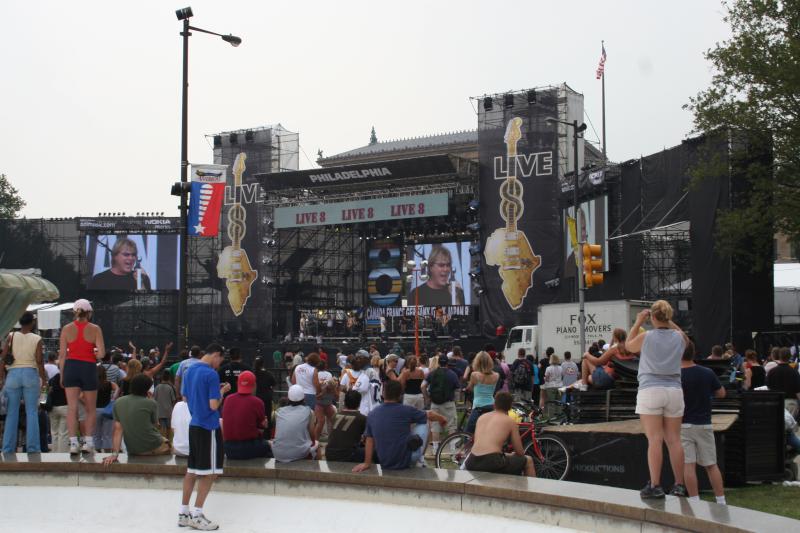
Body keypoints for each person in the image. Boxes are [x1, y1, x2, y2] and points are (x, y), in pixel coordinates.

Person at [626, 300, 689, 499]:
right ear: (669, 317)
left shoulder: (646, 336)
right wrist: (668, 322)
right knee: (674, 439)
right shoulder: (679, 337)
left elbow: (628, 345)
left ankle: (655, 485)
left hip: (650, 389)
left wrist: (637, 322)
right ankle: (679, 485)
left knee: (655, 440)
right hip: (674, 390)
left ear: (652, 317)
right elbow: (686, 340)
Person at [177, 343, 230, 530]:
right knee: (210, 473)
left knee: (192, 470)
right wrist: (222, 392)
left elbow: (185, 397)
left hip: (195, 424)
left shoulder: (188, 370)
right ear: (216, 355)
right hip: (209, 426)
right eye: (220, 360)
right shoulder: (211, 374)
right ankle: (198, 514)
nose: (218, 365)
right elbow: (214, 405)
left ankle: (184, 512)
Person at [352, 380, 447, 472]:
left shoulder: (372, 414)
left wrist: (367, 463)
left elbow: (369, 439)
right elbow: (430, 415)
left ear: (383, 394)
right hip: (405, 459)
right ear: (399, 395)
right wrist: (442, 419)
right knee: (424, 421)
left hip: (384, 460)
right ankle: (420, 459)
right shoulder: (406, 410)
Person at [679, 341, 727, 504]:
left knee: (688, 465)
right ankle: (721, 501)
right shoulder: (707, 372)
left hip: (683, 425)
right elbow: (721, 393)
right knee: (711, 465)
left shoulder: (675, 376)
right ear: (694, 353)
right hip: (704, 423)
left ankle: (694, 501)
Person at [58, 299, 105, 454]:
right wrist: (94, 351)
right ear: (89, 313)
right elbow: (102, 354)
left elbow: (63, 354)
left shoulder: (66, 329)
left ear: (74, 312)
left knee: (72, 408)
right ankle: (88, 442)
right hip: (88, 368)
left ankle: (73, 443)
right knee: (91, 408)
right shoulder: (95, 328)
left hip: (71, 367)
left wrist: (62, 375)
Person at [0, 311, 45, 453]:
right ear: (32, 323)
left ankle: (7, 448)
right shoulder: (37, 338)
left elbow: (2, 358)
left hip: (13, 375)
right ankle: (33, 448)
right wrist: (43, 378)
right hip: (30, 374)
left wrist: (1, 378)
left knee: (11, 413)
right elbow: (39, 360)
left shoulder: (11, 336)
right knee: (31, 412)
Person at [103, 374, 171, 464]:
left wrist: (115, 454)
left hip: (133, 449)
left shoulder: (118, 402)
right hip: (153, 445)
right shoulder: (151, 403)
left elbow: (117, 430)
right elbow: (155, 426)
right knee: (170, 446)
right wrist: (151, 399)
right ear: (146, 389)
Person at [465, 391, 535, 477]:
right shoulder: (510, 421)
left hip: (472, 460)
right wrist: (513, 454)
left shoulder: (482, 417)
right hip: (491, 462)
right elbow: (520, 452)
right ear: (510, 407)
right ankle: (529, 490)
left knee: (504, 458)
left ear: (494, 404)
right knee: (528, 460)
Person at [221, 371, 272, 460]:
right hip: (248, 447)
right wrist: (265, 424)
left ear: (238, 384)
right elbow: (261, 427)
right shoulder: (257, 402)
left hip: (228, 449)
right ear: (254, 385)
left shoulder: (228, 399)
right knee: (269, 447)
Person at [422, 354, 460, 454]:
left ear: (438, 363)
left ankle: (435, 450)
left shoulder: (432, 373)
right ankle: (452, 450)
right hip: (449, 403)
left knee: (435, 427)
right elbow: (457, 389)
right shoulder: (452, 374)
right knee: (451, 426)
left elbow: (423, 386)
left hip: (435, 403)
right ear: (447, 363)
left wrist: (427, 398)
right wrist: (455, 401)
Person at [272, 384, 317, 463]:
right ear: (304, 397)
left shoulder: (278, 412)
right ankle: (315, 472)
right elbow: (312, 435)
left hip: (278, 453)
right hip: (299, 454)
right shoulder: (309, 412)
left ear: (288, 397)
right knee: (317, 444)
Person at [324, 390, 369, 463]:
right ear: (359, 403)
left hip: (329, 453)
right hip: (348, 455)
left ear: (345, 402)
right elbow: (368, 439)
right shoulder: (362, 418)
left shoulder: (335, 415)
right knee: (372, 450)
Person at [465, 351, 499, 434]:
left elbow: (470, 388)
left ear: (477, 362)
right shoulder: (496, 375)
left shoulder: (474, 375)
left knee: (468, 433)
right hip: (491, 405)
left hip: (478, 406)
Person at [766, 347, 800, 416]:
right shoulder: (794, 372)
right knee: (790, 425)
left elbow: (768, 389)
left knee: (778, 425)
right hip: (791, 403)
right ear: (790, 356)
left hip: (776, 402)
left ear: (779, 356)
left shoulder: (772, 372)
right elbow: (798, 391)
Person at [94, 366, 119, 452]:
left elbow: (81, 396)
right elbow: (117, 389)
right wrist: (113, 398)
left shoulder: (92, 384)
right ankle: (107, 452)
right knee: (107, 434)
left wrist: (87, 404)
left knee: (96, 433)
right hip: (107, 410)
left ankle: (97, 451)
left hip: (95, 410)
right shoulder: (109, 383)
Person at [313, 360, 338, 441]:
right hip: (325, 401)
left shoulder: (316, 374)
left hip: (322, 401)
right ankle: (332, 439)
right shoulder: (329, 374)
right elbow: (331, 387)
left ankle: (316, 441)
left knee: (321, 422)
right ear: (325, 366)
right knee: (332, 421)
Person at [252, 357, 276, 431]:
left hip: (256, 398)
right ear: (263, 364)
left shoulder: (253, 374)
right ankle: (267, 434)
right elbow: (274, 383)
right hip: (266, 398)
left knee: (256, 416)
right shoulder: (268, 374)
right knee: (267, 416)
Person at [153, 371, 177, 436]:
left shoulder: (157, 387)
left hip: (160, 411)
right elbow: (173, 400)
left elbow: (154, 399)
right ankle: (168, 440)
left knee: (161, 428)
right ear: (169, 378)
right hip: (169, 411)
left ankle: (163, 441)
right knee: (168, 427)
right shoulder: (170, 387)